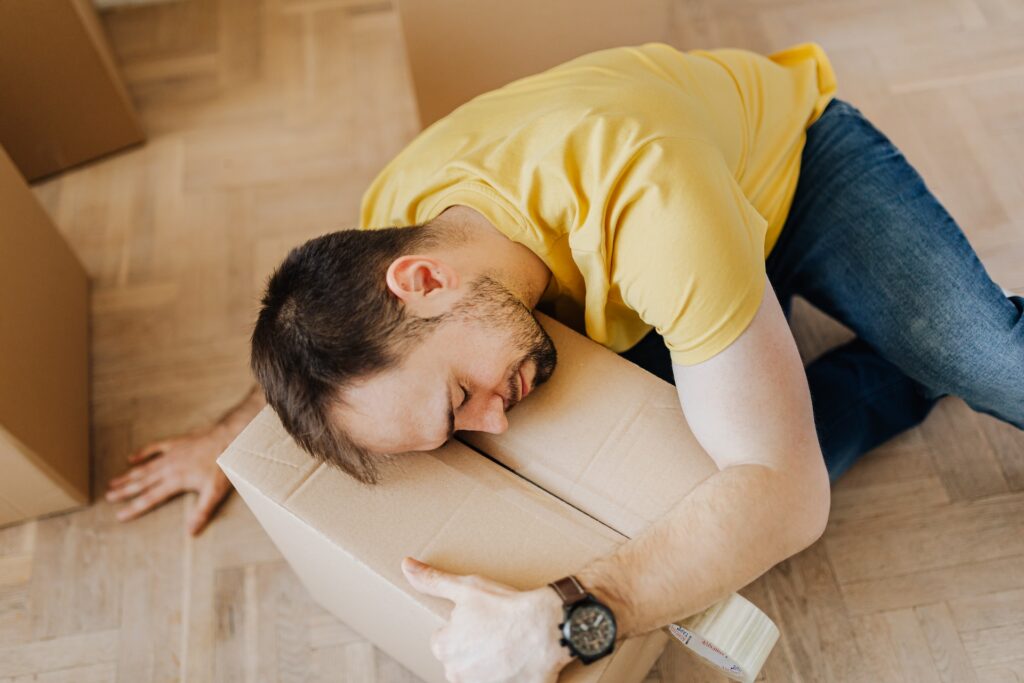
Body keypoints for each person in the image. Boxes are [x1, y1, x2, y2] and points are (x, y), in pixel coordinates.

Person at [106, 41, 1023, 680]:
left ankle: (925, 347)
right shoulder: (399, 220)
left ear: (423, 279)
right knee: (688, 496)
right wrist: (228, 432)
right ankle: (893, 359)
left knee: (987, 362)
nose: (496, 421)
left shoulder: (645, 198)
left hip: (792, 167)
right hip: (679, 267)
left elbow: (787, 499)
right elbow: (322, 339)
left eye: (461, 395)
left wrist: (577, 611)